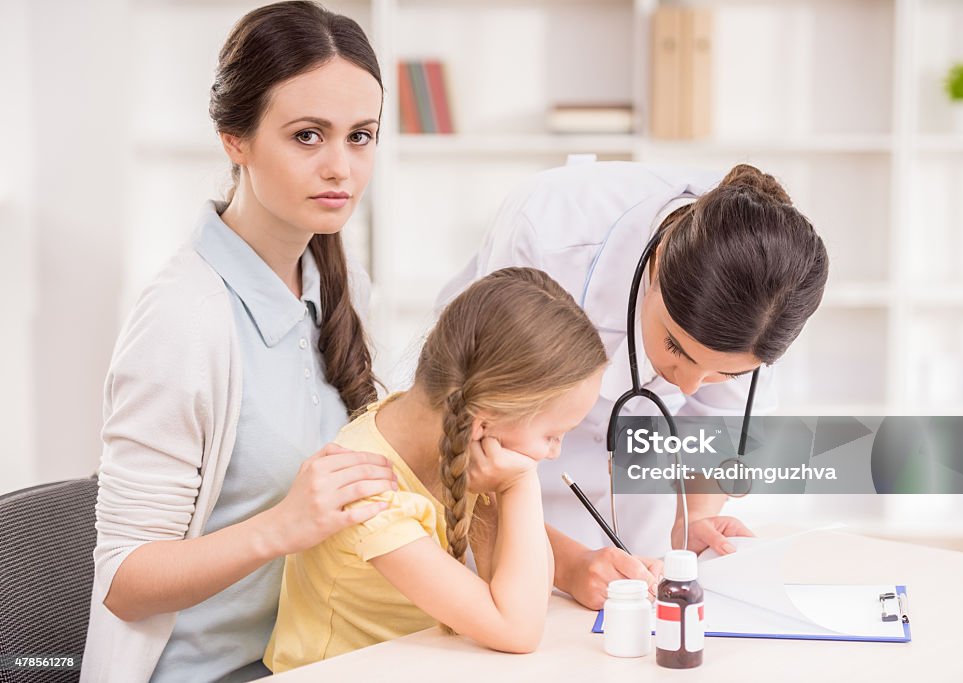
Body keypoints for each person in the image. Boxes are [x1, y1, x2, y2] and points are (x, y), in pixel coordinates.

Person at [82, 3, 395, 681]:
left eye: (361, 136)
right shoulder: (183, 319)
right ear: (235, 138)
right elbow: (124, 578)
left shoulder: (342, 285)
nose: (341, 167)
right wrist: (283, 525)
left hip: (319, 657)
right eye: (308, 136)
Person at [437, 159, 830, 610]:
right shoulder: (550, 230)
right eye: (677, 348)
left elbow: (718, 428)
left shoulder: (764, 289)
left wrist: (693, 526)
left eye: (725, 373)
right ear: (658, 260)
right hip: (503, 483)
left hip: (632, 498)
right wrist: (568, 566)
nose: (686, 386)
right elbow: (471, 463)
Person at [263, 267, 608, 672]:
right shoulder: (370, 492)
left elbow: (526, 594)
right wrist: (520, 484)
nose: (556, 451)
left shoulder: (453, 443)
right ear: (484, 421)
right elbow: (519, 629)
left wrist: (503, 492)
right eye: (553, 434)